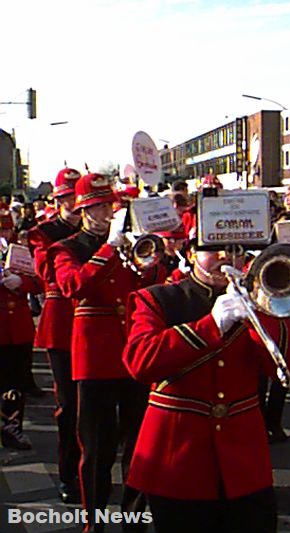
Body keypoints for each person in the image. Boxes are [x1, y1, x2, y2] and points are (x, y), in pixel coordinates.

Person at [122, 233, 290, 533]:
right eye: (214, 249)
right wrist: (213, 324)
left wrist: (262, 313)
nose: (225, 258)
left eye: (235, 250)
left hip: (244, 458)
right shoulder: (160, 299)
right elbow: (140, 363)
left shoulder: (260, 302)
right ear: (192, 253)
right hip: (178, 457)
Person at [49, 174, 164, 532]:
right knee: (96, 449)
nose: (106, 213)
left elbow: (149, 289)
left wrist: (155, 262)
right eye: (98, 207)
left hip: (132, 351)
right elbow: (73, 286)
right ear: (83, 210)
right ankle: (94, 521)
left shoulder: (127, 245)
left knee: (138, 445)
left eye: (108, 206)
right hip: (94, 358)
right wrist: (110, 248)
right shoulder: (67, 248)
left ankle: (134, 519)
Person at [26, 167, 82, 502]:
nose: (76, 205)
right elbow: (48, 273)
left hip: (105, 326)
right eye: (69, 198)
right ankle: (69, 476)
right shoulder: (44, 233)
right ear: (58, 200)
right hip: (63, 324)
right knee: (70, 406)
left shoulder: (105, 232)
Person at [0, 208, 41, 451]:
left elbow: (39, 281)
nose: (4, 233)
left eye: (6, 229)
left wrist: (21, 282)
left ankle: (12, 428)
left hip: (18, 327)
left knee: (14, 384)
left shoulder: (22, 251)